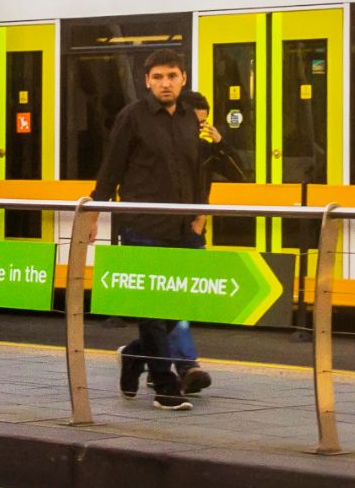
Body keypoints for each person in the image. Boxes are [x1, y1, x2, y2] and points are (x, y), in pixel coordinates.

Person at [88, 48, 243, 409]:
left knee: (184, 302)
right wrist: (93, 212)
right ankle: (164, 385)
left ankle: (134, 356)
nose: (165, 83)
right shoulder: (133, 117)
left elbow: (218, 172)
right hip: (143, 226)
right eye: (157, 77)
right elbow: (111, 167)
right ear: (147, 82)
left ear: (183, 78)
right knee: (153, 310)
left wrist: (219, 143)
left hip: (185, 229)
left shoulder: (193, 120)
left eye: (172, 76)